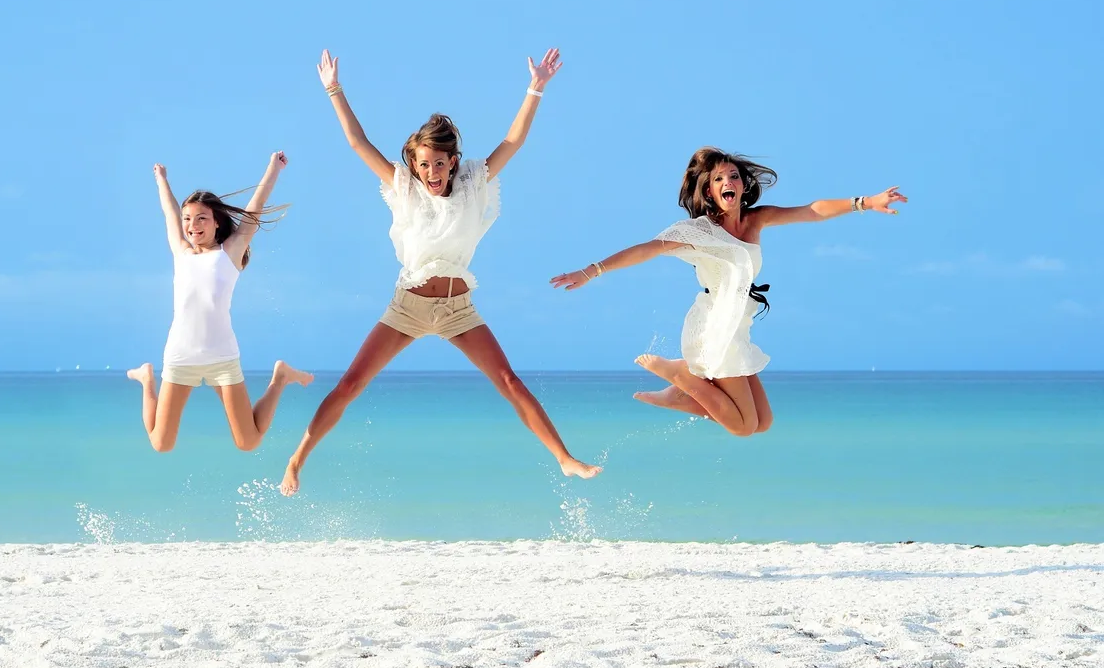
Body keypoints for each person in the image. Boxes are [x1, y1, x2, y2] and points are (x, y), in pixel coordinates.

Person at [280, 48, 601, 495]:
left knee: (509, 381)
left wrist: (536, 88)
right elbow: (358, 143)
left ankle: (564, 458)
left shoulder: (474, 183)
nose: (431, 171)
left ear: (452, 161)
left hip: (457, 308)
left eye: (438, 162)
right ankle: (296, 461)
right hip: (408, 305)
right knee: (352, 383)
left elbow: (513, 141)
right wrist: (334, 89)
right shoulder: (404, 188)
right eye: (423, 164)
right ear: (414, 165)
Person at [550, 146, 906, 437]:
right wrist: (591, 270)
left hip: (738, 328)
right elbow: (649, 248)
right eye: (718, 178)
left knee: (763, 423)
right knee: (741, 426)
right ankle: (680, 375)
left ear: (742, 184)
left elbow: (811, 211)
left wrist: (864, 202)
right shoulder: (700, 232)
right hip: (714, 329)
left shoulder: (755, 219)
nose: (728, 181)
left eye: (733, 175)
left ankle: (681, 391)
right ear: (708, 191)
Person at [127, 153, 312, 452]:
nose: (192, 225)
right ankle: (147, 379)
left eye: (201, 218)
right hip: (180, 355)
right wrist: (161, 180)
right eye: (189, 219)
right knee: (161, 443)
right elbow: (169, 213)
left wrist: (273, 169)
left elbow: (256, 208)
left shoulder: (230, 252)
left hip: (221, 357)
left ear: (216, 222)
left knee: (248, 442)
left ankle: (279, 378)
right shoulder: (181, 253)